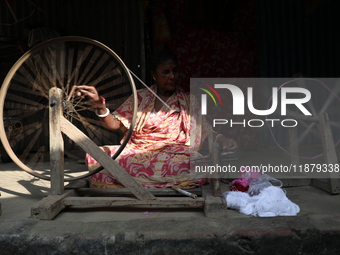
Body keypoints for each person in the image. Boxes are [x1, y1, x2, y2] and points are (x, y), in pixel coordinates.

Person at [76, 50, 237, 189]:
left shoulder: (189, 101)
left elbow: (205, 130)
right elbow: (114, 124)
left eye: (175, 71)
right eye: (165, 72)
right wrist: (100, 107)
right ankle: (156, 183)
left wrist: (222, 139)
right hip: (139, 151)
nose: (172, 76)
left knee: (194, 165)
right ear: (154, 75)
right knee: (98, 155)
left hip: (174, 155)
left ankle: (132, 182)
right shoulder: (140, 97)